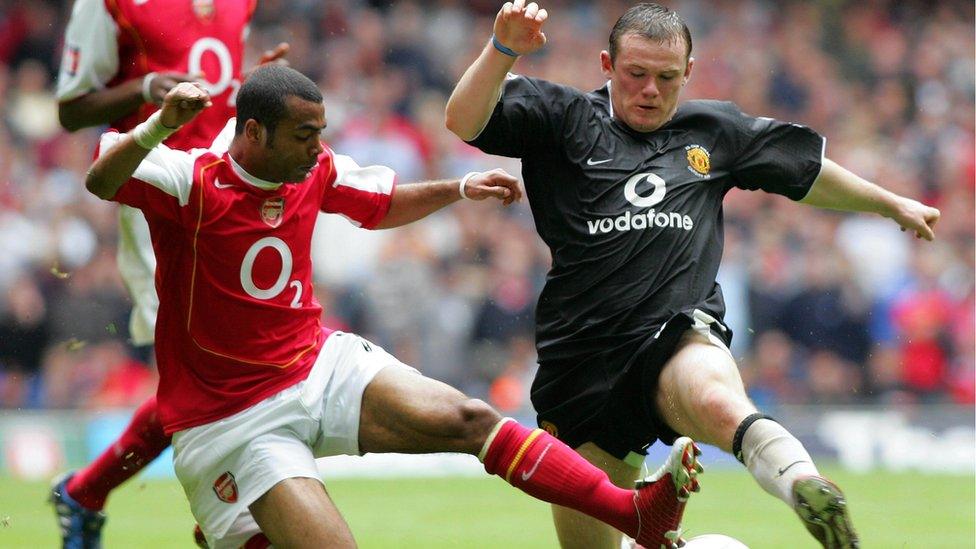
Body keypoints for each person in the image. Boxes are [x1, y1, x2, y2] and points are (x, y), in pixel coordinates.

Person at [82, 64, 705, 549]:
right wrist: (159, 124)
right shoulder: (189, 180)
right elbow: (101, 179)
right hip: (233, 418)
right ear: (253, 133)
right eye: (303, 136)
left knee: (470, 418)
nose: (315, 149)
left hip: (316, 365)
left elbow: (380, 205)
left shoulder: (312, 168)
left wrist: (459, 187)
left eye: (319, 134)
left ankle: (635, 515)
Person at [444, 2, 941, 549]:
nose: (651, 90)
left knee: (710, 393)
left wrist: (888, 203)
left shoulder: (713, 129)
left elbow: (806, 173)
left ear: (689, 73)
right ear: (607, 64)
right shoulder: (560, 116)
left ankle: (802, 482)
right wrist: (503, 48)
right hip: (578, 365)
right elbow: (463, 119)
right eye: (636, 74)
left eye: (666, 77)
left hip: (672, 332)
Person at [50, 1, 287, 547]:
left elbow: (215, 99)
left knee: (224, 365)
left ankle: (88, 492)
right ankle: (226, 518)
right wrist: (145, 87)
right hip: (161, 195)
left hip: (232, 196)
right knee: (209, 366)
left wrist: (247, 84)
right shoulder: (110, 5)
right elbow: (69, 111)